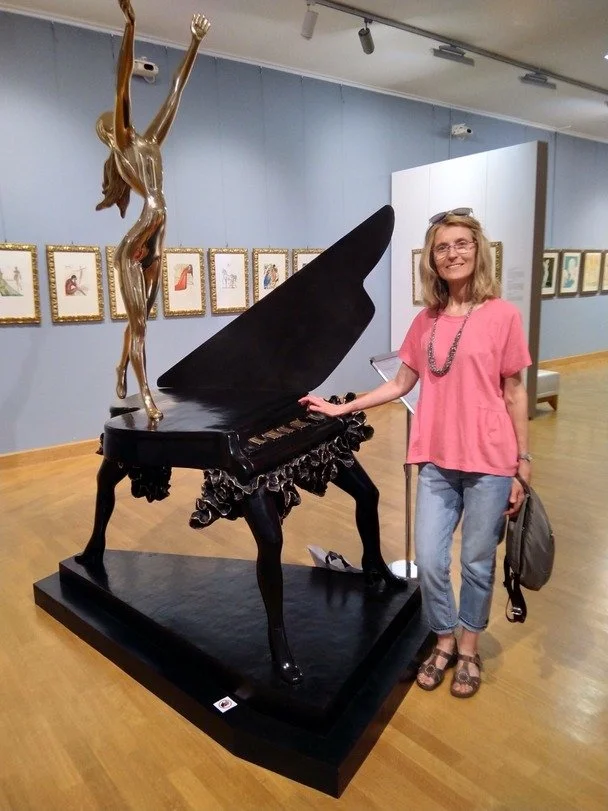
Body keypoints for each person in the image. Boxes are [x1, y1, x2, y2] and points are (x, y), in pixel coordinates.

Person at [300, 208, 531, 698]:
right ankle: (443, 639)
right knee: (429, 558)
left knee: (476, 562)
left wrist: (523, 465)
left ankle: (467, 649)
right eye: (442, 247)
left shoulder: (503, 315)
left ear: (478, 250)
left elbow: (514, 392)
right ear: (432, 259)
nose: (453, 253)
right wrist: (343, 407)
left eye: (461, 243)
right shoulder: (425, 320)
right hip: (437, 462)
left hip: (491, 462)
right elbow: (401, 382)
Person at [95, 0, 210, 422]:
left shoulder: (150, 143)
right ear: (111, 134)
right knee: (140, 325)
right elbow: (122, 82)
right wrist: (130, 25)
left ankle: (121, 365)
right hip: (137, 242)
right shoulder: (124, 145)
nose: (119, 119)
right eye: (113, 123)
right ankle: (145, 393)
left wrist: (194, 43)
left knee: (141, 317)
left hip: (157, 233)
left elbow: (175, 90)